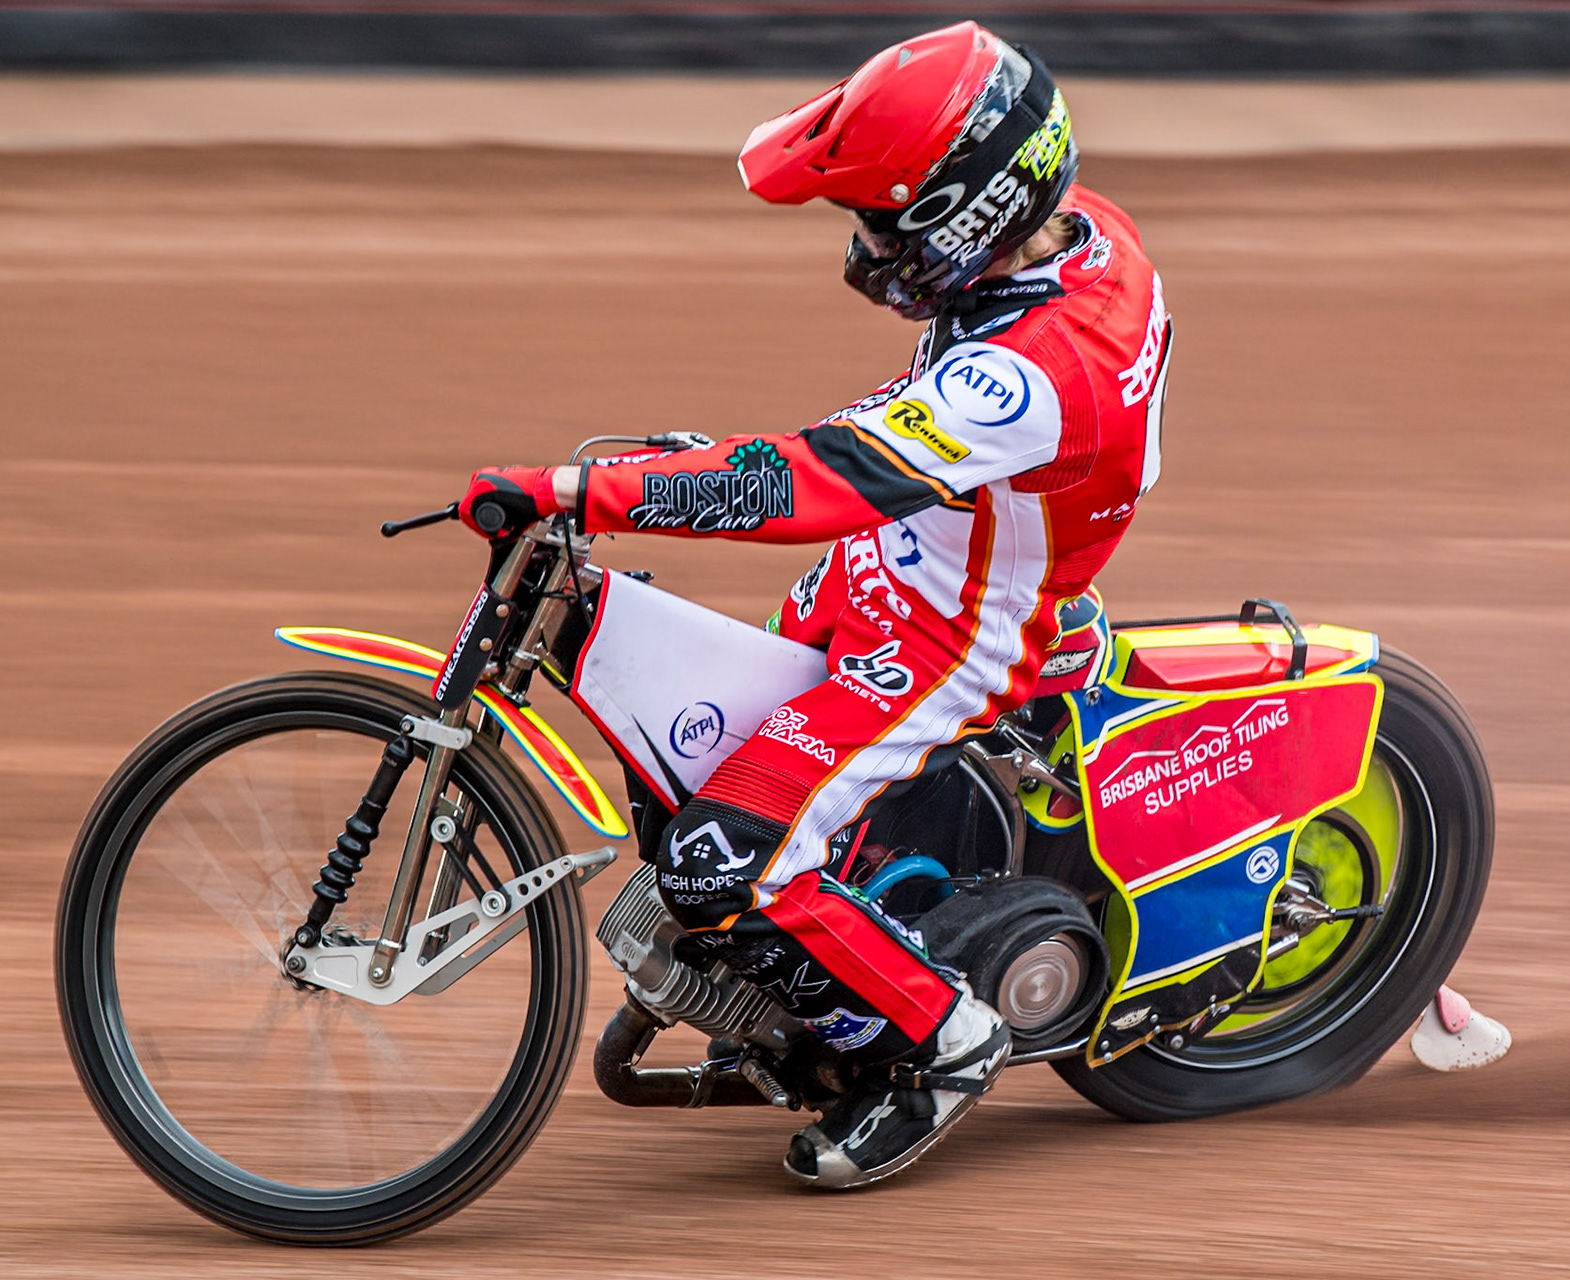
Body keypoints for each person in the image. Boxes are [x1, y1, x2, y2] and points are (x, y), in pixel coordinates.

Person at [457, 20, 1171, 1189]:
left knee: (713, 863)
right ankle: (810, 959)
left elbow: (823, 479)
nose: (867, 248)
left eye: (889, 221)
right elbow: (911, 422)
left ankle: (942, 1043)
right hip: (908, 551)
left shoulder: (1037, 371)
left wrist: (586, 487)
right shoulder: (1090, 238)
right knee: (711, 743)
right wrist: (705, 467)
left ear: (972, 215)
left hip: (957, 633)